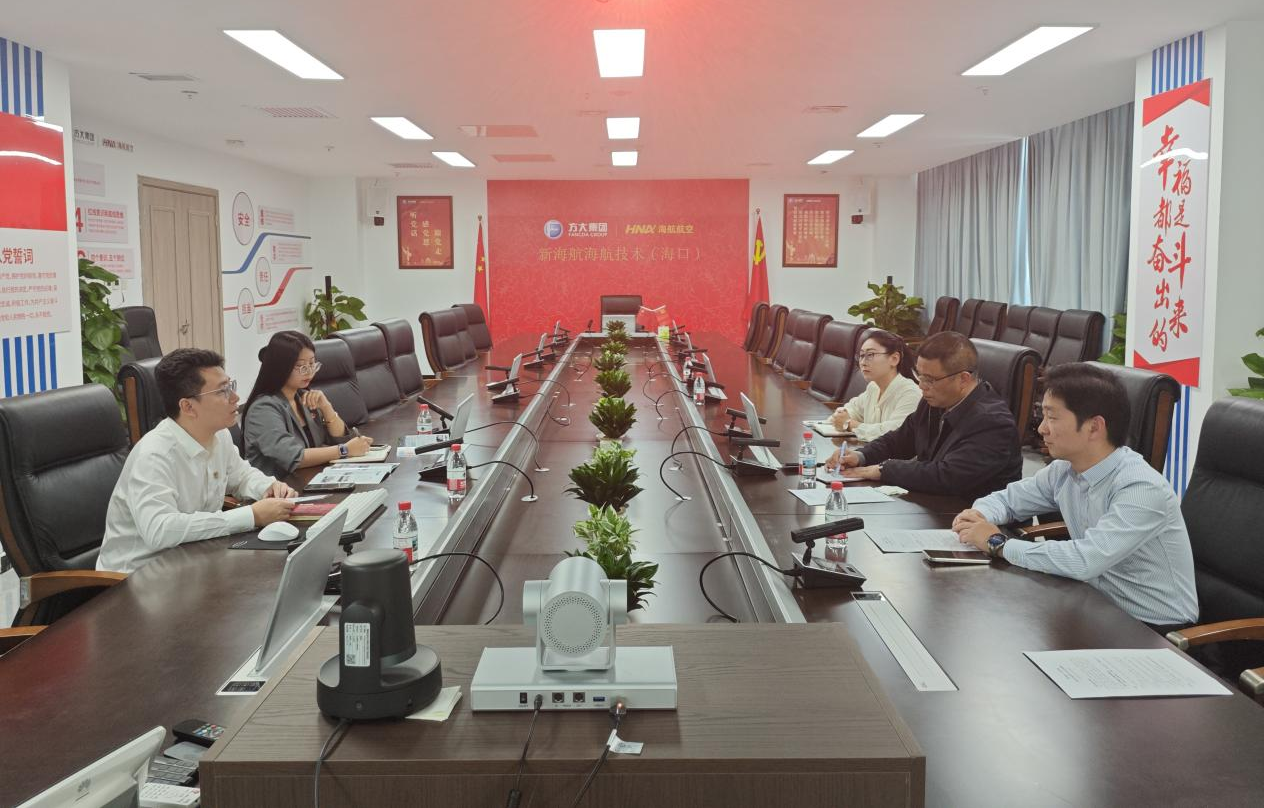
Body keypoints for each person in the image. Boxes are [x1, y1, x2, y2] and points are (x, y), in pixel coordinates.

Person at [953, 363, 1198, 630]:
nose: (1041, 429)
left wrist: (997, 543)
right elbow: (1007, 500)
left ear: (1094, 427)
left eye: (1052, 417)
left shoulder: (1141, 488)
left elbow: (1084, 560)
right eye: (1043, 416)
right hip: (1094, 603)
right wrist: (978, 516)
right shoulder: (1064, 470)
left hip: (1152, 628)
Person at [98, 349, 298, 574]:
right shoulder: (154, 455)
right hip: (139, 575)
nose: (235, 398)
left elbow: (241, 476)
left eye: (230, 386)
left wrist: (268, 487)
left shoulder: (218, 434)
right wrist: (251, 516)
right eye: (222, 391)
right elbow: (159, 530)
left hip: (193, 559)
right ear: (188, 407)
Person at [827, 330, 1021, 500]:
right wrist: (861, 456)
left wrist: (883, 470)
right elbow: (899, 440)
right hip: (934, 505)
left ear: (963, 379)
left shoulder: (992, 422)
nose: (921, 386)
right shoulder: (935, 401)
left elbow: (947, 476)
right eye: (919, 376)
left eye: (929, 379)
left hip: (975, 517)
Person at [242, 330, 373, 479]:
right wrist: (344, 450)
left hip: (312, 479)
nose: (309, 372)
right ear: (281, 367)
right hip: (280, 487)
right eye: (301, 366)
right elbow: (294, 457)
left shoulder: (303, 397)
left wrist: (326, 407)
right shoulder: (263, 409)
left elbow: (341, 439)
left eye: (312, 364)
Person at [823, 330, 921, 468]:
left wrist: (850, 424)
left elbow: (893, 436)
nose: (863, 362)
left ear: (894, 359)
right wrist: (842, 416)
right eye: (861, 355)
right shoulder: (874, 387)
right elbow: (850, 409)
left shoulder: (910, 393)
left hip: (896, 469)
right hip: (871, 460)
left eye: (870, 355)